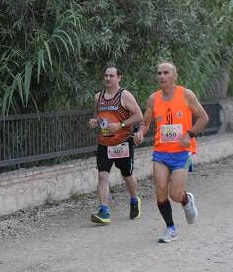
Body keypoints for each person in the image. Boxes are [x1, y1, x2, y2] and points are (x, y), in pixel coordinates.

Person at [133, 61, 209, 243]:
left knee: (175, 194)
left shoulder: (186, 95)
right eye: (159, 73)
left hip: (182, 153)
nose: (162, 76)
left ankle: (185, 200)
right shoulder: (153, 99)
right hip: (161, 152)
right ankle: (171, 228)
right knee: (160, 191)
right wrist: (140, 133)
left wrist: (189, 134)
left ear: (175, 76)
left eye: (166, 73)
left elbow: (204, 117)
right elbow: (146, 122)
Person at [88, 65, 144, 224]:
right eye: (106, 75)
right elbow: (99, 117)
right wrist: (94, 122)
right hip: (104, 143)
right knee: (102, 175)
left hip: (122, 142)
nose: (107, 78)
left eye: (111, 76)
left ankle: (134, 200)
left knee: (127, 175)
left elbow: (139, 116)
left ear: (119, 77)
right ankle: (104, 211)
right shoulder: (98, 97)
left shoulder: (124, 95)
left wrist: (120, 125)